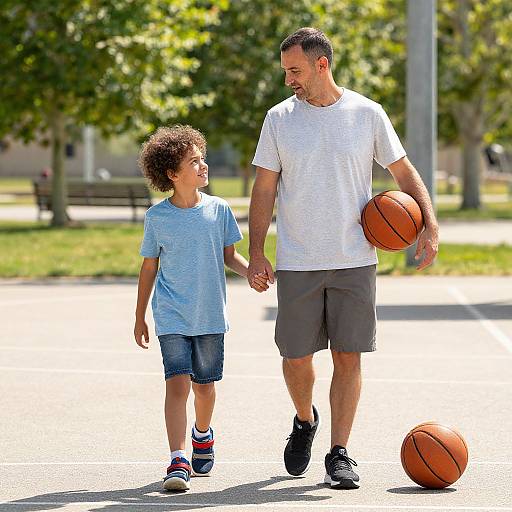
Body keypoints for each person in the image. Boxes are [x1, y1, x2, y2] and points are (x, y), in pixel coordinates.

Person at [248, 28, 439, 489]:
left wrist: (429, 223)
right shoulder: (279, 119)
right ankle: (304, 419)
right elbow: (264, 189)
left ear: (321, 64)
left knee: (348, 355)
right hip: (297, 259)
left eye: (294, 70)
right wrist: (256, 251)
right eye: (285, 71)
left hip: (356, 257)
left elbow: (402, 171)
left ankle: (339, 453)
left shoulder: (366, 113)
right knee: (295, 357)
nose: (288, 79)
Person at [134, 125, 264, 492]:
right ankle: (178, 458)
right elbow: (149, 268)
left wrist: (251, 271)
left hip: (210, 315)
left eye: (202, 158)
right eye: (194, 161)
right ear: (173, 175)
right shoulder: (157, 218)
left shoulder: (219, 210)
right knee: (177, 384)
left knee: (204, 387)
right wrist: (140, 314)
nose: (203, 165)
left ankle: (202, 434)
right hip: (171, 315)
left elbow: (230, 257)